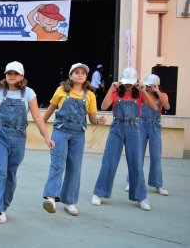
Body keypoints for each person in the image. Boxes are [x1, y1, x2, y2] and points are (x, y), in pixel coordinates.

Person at [0, 61, 54, 224]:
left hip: (18, 137)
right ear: (5, 75)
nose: (12, 76)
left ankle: (3, 207)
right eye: (9, 73)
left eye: (15, 73)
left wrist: (47, 137)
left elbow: (37, 117)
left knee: (10, 174)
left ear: (22, 76)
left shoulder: (29, 93)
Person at [42, 63, 106, 216]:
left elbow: (91, 119)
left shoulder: (90, 95)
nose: (80, 75)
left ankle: (69, 201)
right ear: (70, 76)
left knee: (75, 168)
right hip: (60, 132)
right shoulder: (61, 91)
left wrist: (98, 120)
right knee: (58, 164)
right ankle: (51, 197)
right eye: (76, 72)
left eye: (83, 73)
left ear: (86, 77)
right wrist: (41, 125)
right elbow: (50, 110)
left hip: (78, 135)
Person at [91, 67, 157, 211]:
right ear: (121, 81)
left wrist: (144, 90)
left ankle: (141, 197)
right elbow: (103, 105)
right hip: (117, 128)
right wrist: (110, 88)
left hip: (134, 128)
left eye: (131, 82)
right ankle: (99, 193)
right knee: (109, 160)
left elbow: (154, 107)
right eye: (126, 82)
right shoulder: (115, 92)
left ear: (135, 82)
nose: (128, 85)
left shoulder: (139, 94)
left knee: (136, 163)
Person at [124, 74, 170, 196]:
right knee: (138, 155)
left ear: (157, 85)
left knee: (156, 156)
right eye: (148, 85)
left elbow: (167, 106)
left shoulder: (162, 95)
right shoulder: (142, 94)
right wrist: (142, 88)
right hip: (141, 125)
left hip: (155, 126)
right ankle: (131, 181)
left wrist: (157, 91)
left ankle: (158, 184)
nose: (149, 88)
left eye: (151, 86)